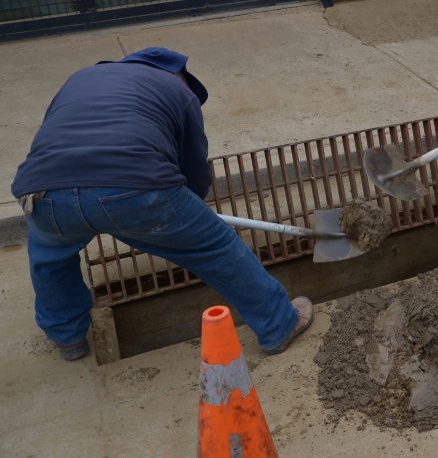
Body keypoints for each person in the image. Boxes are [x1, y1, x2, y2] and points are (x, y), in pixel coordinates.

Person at [11, 47, 312, 361]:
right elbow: (193, 171)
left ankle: (67, 336)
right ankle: (279, 324)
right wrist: (191, 214)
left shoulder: (81, 78)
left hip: (42, 192)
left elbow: (54, 136)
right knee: (216, 247)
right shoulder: (179, 92)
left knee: (50, 257)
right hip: (134, 185)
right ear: (178, 74)